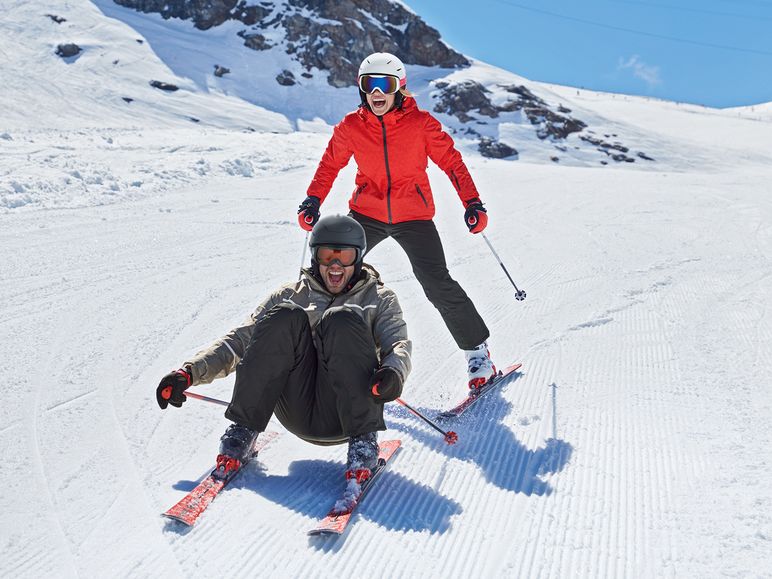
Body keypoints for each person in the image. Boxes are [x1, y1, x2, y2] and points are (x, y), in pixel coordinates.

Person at [155, 215, 411, 484]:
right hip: (295, 408)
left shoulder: (379, 298)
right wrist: (188, 373)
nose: (335, 266)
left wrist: (393, 372)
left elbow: (398, 344)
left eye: (344, 257)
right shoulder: (289, 295)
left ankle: (363, 445)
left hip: (346, 415)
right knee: (284, 316)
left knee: (342, 319)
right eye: (327, 257)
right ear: (315, 257)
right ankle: (243, 430)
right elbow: (240, 341)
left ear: (358, 258)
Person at [297, 52, 496, 390]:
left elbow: (452, 162)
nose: (376, 92)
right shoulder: (352, 126)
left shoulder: (421, 124)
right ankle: (309, 358)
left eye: (384, 84)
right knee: (331, 272)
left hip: (413, 215)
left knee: (436, 282)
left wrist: (472, 202)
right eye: (368, 84)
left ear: (399, 88)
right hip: (366, 213)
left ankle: (478, 355)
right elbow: (331, 164)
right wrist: (313, 199)